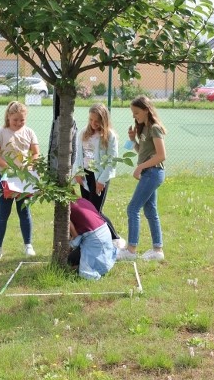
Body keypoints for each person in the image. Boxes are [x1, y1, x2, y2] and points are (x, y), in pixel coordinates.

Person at [117, 95, 167, 262]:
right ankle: (157, 250)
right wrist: (132, 140)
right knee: (150, 210)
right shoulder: (144, 129)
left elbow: (161, 156)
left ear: (146, 110)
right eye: (133, 113)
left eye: (136, 112)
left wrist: (140, 167)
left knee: (132, 209)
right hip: (149, 173)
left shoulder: (154, 128)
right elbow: (142, 151)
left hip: (153, 173)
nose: (134, 116)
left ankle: (131, 250)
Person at [0, 101, 39, 260]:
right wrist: (8, 168)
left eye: (21, 120)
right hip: (5, 179)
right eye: (15, 119)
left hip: (24, 180)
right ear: (8, 116)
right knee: (3, 213)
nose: (18, 123)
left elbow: (36, 153)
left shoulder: (30, 132)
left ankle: (28, 245)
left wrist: (31, 165)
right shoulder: (0, 133)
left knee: (25, 212)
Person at [73, 103, 125, 247]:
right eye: (91, 120)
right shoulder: (83, 133)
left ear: (104, 120)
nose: (93, 123)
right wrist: (77, 172)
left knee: (95, 211)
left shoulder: (110, 136)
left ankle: (115, 239)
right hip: (85, 176)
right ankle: (92, 239)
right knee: (87, 211)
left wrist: (102, 180)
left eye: (97, 121)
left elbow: (112, 160)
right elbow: (78, 155)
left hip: (100, 177)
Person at [68, 197, 117, 280]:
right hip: (105, 234)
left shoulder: (67, 210)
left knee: (71, 261)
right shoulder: (82, 200)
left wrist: (68, 248)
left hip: (95, 240)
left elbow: (75, 238)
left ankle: (82, 267)